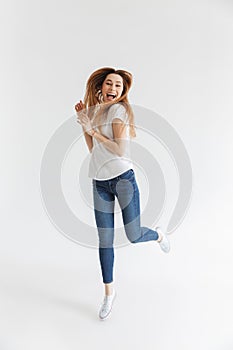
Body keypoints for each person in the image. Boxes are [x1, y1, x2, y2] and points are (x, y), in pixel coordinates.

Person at [75, 67, 170, 321]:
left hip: (123, 180)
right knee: (104, 240)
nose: (113, 89)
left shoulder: (119, 111)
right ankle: (109, 293)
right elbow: (92, 149)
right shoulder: (96, 112)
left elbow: (119, 150)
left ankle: (159, 234)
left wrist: (92, 129)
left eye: (118, 85)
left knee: (134, 233)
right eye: (109, 84)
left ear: (122, 91)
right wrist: (86, 123)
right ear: (101, 88)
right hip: (99, 182)